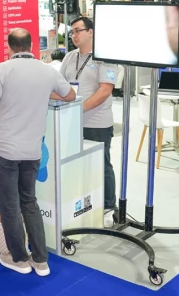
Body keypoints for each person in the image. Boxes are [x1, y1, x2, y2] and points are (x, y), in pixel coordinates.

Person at [0, 29, 75, 276]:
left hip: (2, 149)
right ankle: (41, 261)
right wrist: (44, 91)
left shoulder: (0, 70)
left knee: (10, 205)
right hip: (32, 150)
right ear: (32, 46)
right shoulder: (47, 71)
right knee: (29, 202)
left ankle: (19, 259)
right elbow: (70, 95)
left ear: (9, 47)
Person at [58, 17, 118, 223]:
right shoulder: (70, 56)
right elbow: (61, 84)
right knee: (76, 164)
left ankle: (109, 206)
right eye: (72, 32)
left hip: (96, 122)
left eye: (78, 31)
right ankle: (83, 203)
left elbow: (105, 90)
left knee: (102, 164)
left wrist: (79, 108)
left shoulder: (105, 57)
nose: (74, 35)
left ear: (90, 32)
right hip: (70, 122)